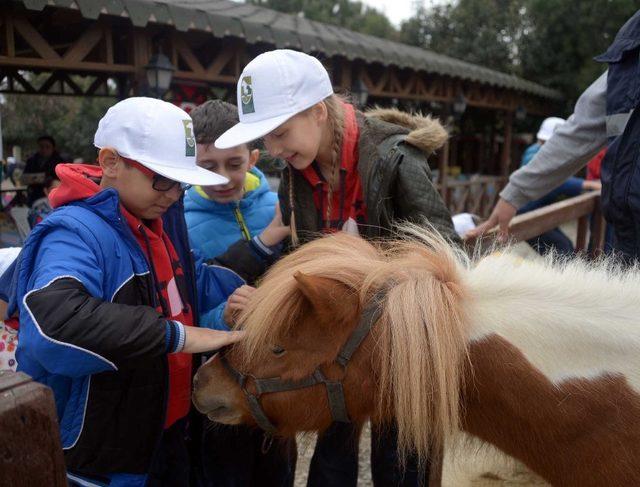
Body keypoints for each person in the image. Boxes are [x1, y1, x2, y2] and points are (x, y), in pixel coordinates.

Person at [215, 49, 459, 487]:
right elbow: (303, 255)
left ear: (317, 112)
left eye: (280, 133)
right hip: (335, 332)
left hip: (397, 337)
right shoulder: (297, 167)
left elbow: (449, 260)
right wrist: (267, 298)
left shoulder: (396, 158)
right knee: (330, 455)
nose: (272, 150)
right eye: (265, 138)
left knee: (401, 458)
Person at [10, 97, 245, 487]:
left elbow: (193, 280)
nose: (172, 193)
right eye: (161, 178)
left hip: (165, 433)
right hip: (101, 457)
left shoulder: (156, 216)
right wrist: (175, 336)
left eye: (181, 182)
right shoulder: (73, 232)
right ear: (110, 162)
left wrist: (260, 295)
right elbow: (52, 327)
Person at [468, 10, 640, 260]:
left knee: (566, 252)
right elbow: (581, 130)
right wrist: (516, 191)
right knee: (566, 253)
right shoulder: (631, 47)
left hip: (609, 225)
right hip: (627, 238)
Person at [184, 99, 295, 487]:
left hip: (280, 372)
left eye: (233, 164)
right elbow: (186, 312)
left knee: (278, 471)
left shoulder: (279, 204)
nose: (222, 177)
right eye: (207, 167)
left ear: (253, 157)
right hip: (220, 377)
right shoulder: (180, 221)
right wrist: (224, 317)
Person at [23, 135, 63, 205]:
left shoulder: (60, 162)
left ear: (53, 148)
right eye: (41, 146)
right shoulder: (31, 161)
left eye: (47, 147)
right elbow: (24, 177)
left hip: (53, 196)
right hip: (33, 195)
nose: (44, 149)